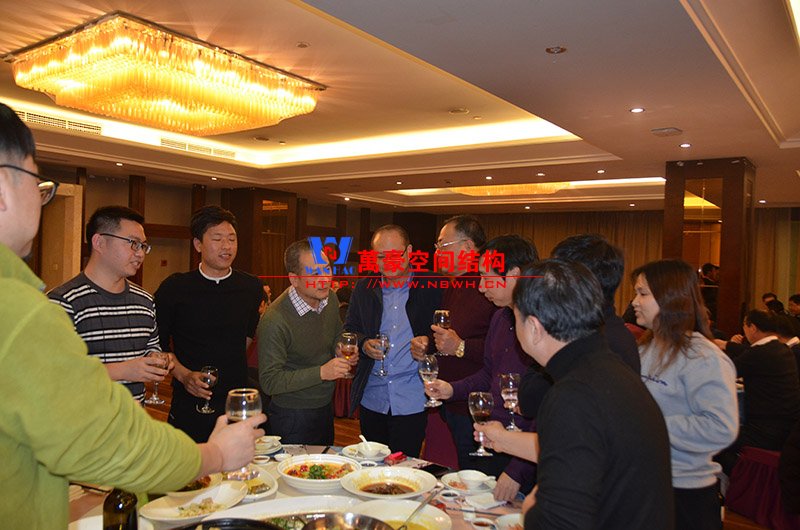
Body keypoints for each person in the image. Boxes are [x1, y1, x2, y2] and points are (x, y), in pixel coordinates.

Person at [0, 102, 264, 528]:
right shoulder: (26, 310)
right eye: (37, 182)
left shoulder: (143, 299)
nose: (41, 198)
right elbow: (99, 440)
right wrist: (214, 455)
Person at [513, 259, 673, 529]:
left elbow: (559, 522)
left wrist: (532, 511)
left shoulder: (573, 396)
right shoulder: (613, 372)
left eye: (515, 318)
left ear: (534, 328)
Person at [425, 235, 537, 501]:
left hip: (523, 451)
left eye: (487, 277)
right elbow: (488, 374)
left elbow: (544, 410)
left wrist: (517, 471)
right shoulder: (501, 318)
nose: (481, 286)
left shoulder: (540, 326)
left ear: (514, 275)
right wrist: (451, 389)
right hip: (488, 434)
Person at [632, 259, 738, 530]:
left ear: (670, 298)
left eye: (643, 293)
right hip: (645, 482)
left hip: (685, 491)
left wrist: (650, 425)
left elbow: (721, 427)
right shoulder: (645, 348)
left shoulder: (703, 357)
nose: (634, 302)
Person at [155, 206, 264, 442]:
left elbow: (246, 337)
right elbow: (158, 345)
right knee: (190, 462)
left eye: (232, 239)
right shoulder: (175, 288)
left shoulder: (251, 287)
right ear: (198, 244)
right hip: (190, 398)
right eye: (217, 239)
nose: (227, 246)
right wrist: (184, 376)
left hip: (236, 398)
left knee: (239, 460)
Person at [48, 206, 171, 403]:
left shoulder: (144, 300)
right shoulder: (63, 301)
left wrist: (156, 358)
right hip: (84, 419)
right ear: (99, 242)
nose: (140, 253)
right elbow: (55, 372)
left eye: (143, 246)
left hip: (134, 417)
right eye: (133, 243)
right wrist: (121, 370)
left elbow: (151, 346)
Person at [519, 233, 641, 419]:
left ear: (581, 281)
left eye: (558, 274)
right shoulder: (611, 333)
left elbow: (530, 399)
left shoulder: (595, 341)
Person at [345, 225, 441, 457]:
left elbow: (448, 332)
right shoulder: (364, 288)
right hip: (373, 396)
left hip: (413, 397)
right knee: (371, 467)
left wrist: (428, 343)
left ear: (409, 251)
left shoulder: (432, 285)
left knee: (406, 468)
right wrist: (364, 344)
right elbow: (349, 330)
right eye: (381, 256)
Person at [258, 239, 351, 444]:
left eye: (327, 269)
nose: (325, 279)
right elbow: (270, 381)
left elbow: (337, 332)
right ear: (294, 279)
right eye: (315, 274)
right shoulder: (275, 320)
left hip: (325, 407)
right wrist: (322, 372)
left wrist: (340, 348)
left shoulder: (330, 299)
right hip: (291, 414)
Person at [429, 214, 498, 468]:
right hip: (455, 400)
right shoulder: (455, 285)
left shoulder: (489, 287)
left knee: (479, 477)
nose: (437, 252)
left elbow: (502, 348)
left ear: (468, 247)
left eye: (443, 245)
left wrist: (460, 347)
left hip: (479, 405)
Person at [716, 310, 800, 474]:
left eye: (744, 326)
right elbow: (748, 353)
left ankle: (745, 479)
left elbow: (722, 374)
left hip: (764, 432)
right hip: (788, 429)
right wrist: (726, 344)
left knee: (713, 440)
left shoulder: (759, 354)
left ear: (752, 328)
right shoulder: (783, 349)